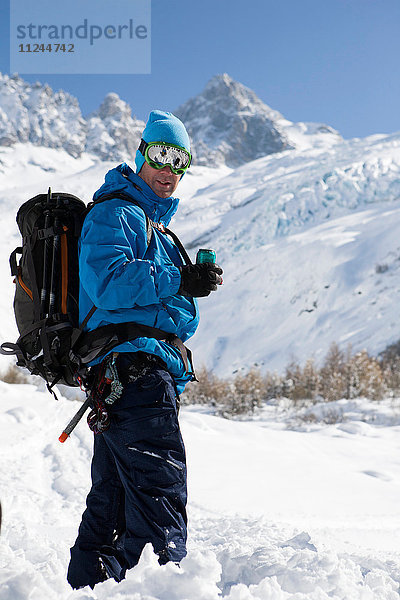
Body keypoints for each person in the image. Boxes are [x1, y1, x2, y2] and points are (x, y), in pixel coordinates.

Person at [67, 110, 223, 590]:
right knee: (161, 494)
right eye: (161, 155)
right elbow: (109, 284)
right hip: (133, 373)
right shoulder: (116, 213)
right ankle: (165, 585)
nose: (169, 170)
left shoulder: (155, 229)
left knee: (113, 500)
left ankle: (89, 584)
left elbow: (181, 320)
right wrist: (180, 280)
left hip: (131, 379)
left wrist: (188, 286)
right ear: (141, 153)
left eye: (181, 161)